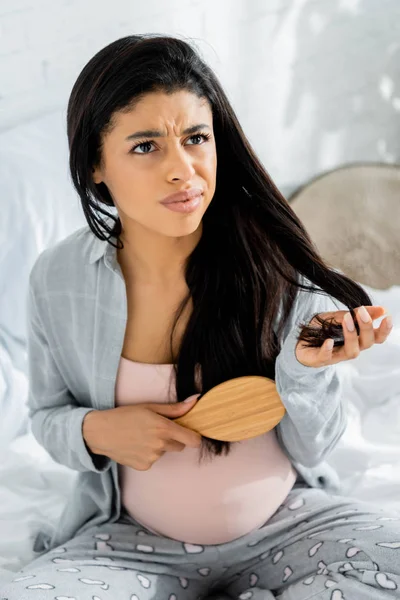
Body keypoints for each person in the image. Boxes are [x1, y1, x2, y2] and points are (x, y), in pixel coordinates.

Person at [1, 34, 399, 600]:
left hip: (288, 527)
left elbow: (315, 448)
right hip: (131, 542)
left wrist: (306, 371)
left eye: (195, 138)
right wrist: (97, 430)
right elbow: (45, 415)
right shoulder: (58, 279)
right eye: (146, 146)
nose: (182, 169)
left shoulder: (274, 266)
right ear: (95, 164)